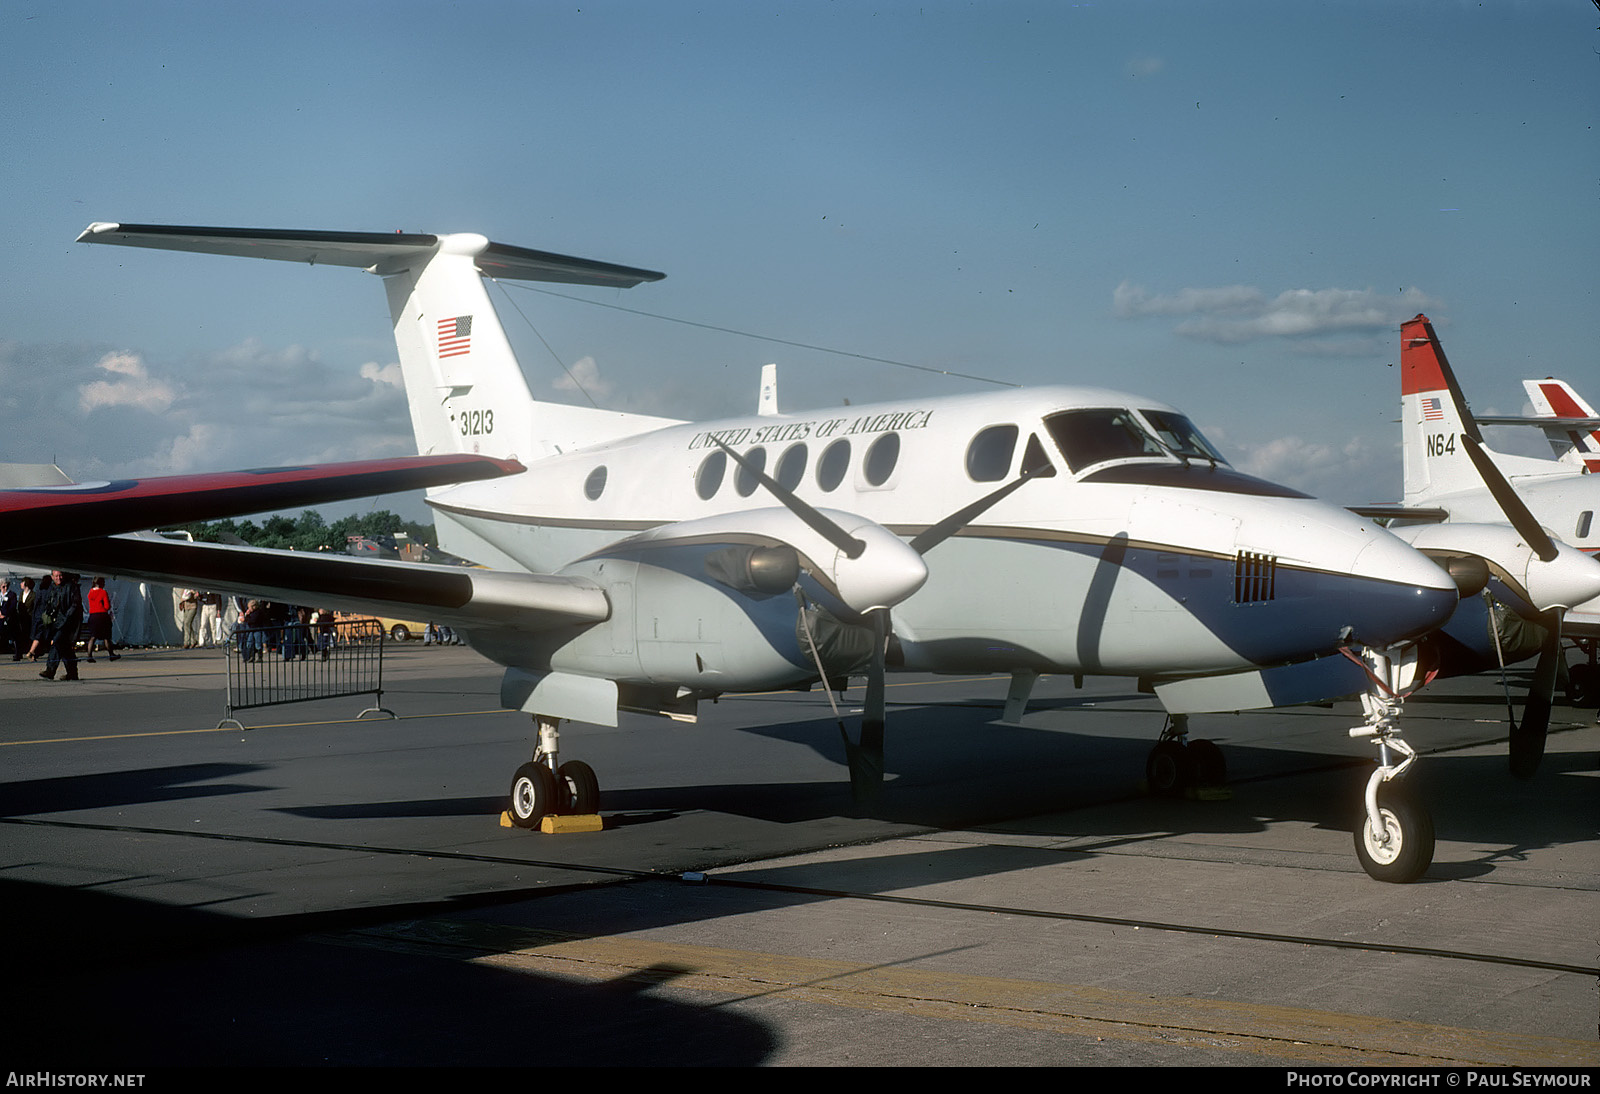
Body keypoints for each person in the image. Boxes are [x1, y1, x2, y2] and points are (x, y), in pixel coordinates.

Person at [38, 569, 84, 681]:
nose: (59, 578)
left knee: (57, 642)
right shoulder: (52, 587)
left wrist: (67, 617)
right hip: (56, 622)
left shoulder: (71, 587)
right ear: (52, 577)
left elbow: (75, 604)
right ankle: (72, 673)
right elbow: (50, 603)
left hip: (67, 623)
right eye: (56, 576)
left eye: (60, 575)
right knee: (64, 647)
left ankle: (50, 670)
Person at [83, 576, 120, 663]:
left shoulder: (90, 592)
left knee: (93, 636)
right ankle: (111, 654)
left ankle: (89, 655)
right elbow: (107, 606)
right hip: (102, 616)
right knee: (107, 637)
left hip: (93, 615)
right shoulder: (103, 592)